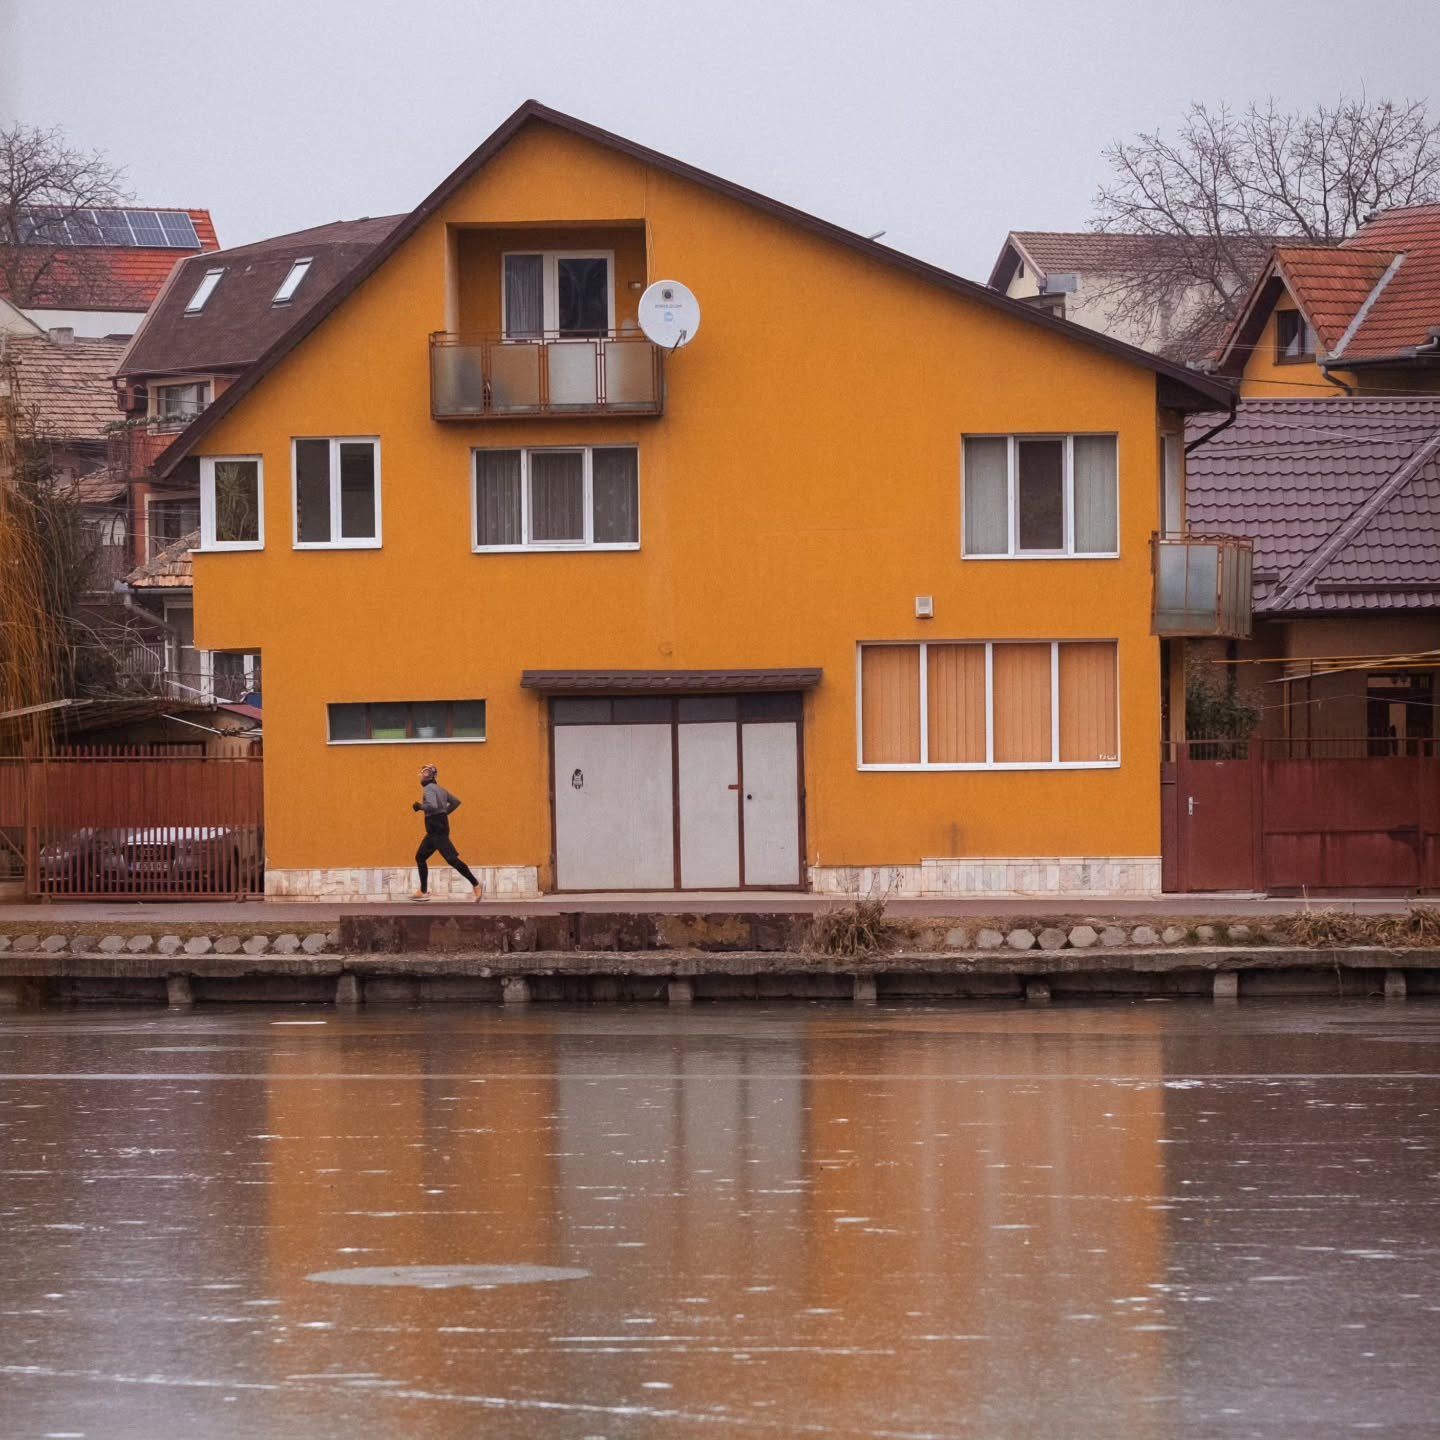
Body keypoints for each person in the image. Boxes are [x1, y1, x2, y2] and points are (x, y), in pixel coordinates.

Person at [410, 763, 484, 902]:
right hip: (437, 828)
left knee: (451, 860)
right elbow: (455, 802)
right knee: (420, 857)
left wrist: (420, 806)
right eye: (422, 773)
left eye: (425, 773)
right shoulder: (441, 790)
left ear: (431, 776)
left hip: (436, 829)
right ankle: (423, 891)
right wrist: (444, 813)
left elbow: (432, 805)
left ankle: (476, 884)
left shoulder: (428, 789)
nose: (422, 776)